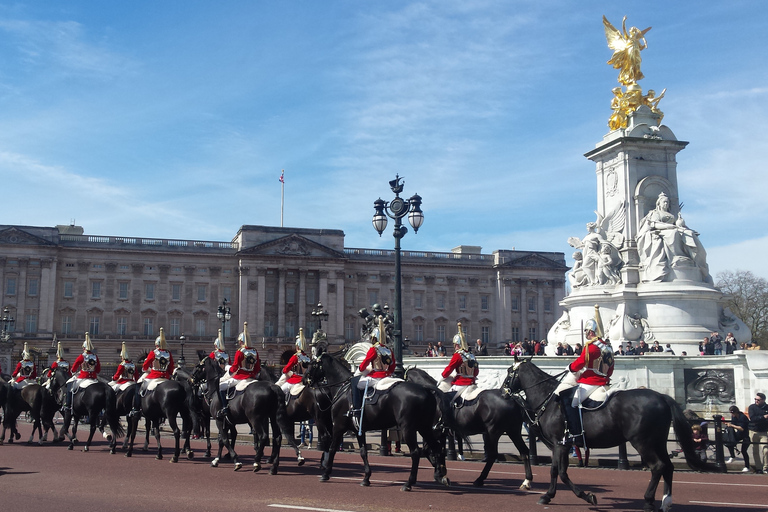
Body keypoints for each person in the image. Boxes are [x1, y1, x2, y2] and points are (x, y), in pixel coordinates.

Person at [553, 306, 614, 443]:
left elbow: (580, 363)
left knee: (571, 402)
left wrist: (570, 367)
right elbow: (610, 368)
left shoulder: (591, 347)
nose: (586, 333)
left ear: (592, 332)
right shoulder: (607, 346)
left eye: (587, 331)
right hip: (604, 381)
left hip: (591, 381)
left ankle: (575, 433)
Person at [636, 192, 711, 283]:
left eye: (667, 202)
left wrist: (681, 223)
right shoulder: (655, 213)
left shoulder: (671, 214)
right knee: (673, 233)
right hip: (662, 231)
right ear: (659, 203)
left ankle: (696, 259)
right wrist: (669, 226)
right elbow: (654, 224)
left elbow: (678, 224)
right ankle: (677, 256)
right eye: (664, 202)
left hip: (674, 229)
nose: (666, 204)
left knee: (690, 234)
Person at [349, 316, 396, 430]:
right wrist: (388, 373)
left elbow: (365, 363)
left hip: (375, 377)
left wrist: (360, 369)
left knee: (354, 382)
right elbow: (393, 366)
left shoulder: (374, 349)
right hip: (387, 376)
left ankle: (356, 409)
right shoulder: (389, 350)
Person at [219, 322, 261, 418]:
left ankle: (225, 407)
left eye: (239, 341)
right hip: (252, 377)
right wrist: (253, 374)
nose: (238, 343)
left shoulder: (240, 351)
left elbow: (235, 367)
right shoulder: (255, 351)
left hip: (240, 377)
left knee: (221, 387)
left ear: (242, 341)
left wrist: (229, 372)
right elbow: (258, 367)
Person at [133, 328, 174, 416]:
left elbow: (144, 366)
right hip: (165, 377)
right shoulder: (168, 353)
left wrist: (150, 370)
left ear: (156, 344)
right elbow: (171, 368)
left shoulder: (153, 353)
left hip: (154, 375)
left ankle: (136, 408)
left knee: (138, 385)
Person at [438, 323, 478, 397]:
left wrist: (441, 377)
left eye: (455, 345)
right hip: (472, 382)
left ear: (457, 344)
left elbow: (450, 368)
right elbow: (476, 372)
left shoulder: (458, 355)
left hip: (461, 382)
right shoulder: (472, 355)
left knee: (447, 399)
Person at [68, 332, 101, 411]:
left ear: (84, 348)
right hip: (94, 378)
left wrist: (73, 371)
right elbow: (98, 369)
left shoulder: (81, 356)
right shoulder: (95, 356)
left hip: (83, 377)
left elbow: (74, 368)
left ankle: (68, 405)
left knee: (70, 387)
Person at [279, 328, 310, 395]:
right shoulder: (307, 357)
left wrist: (284, 371)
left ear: (297, 347)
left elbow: (286, 369)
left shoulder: (295, 356)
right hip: (305, 380)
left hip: (296, 380)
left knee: (281, 391)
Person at [723, 405, 751, 472]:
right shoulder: (734, 417)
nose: (732, 415)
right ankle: (732, 456)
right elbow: (733, 425)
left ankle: (747, 466)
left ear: (736, 412)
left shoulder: (742, 417)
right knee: (729, 441)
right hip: (739, 434)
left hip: (746, 435)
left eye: (732, 413)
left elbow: (742, 428)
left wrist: (732, 425)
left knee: (744, 451)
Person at [747, 392, 768, 473]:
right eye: (755, 399)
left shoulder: (767, 407)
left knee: (766, 450)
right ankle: (758, 468)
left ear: (763, 400)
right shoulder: (752, 407)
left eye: (758, 400)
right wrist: (763, 417)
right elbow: (752, 418)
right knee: (755, 450)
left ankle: (765, 467)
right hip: (753, 431)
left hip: (763, 431)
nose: (756, 401)